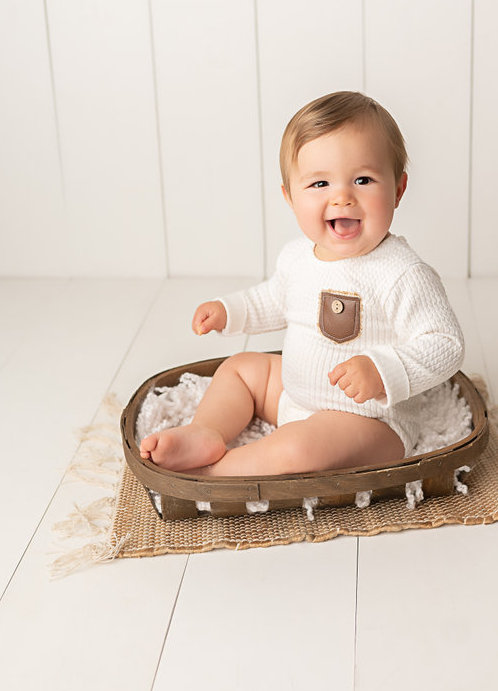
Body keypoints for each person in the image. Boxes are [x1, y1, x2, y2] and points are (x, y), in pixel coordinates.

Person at [140, 91, 464, 477]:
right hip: (293, 397)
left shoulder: (401, 272)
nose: (342, 197)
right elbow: (274, 298)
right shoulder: (297, 257)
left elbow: (445, 343)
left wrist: (383, 371)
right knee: (241, 368)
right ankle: (204, 432)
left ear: (397, 189)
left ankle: (215, 473)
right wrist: (230, 310)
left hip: (368, 421)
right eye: (320, 183)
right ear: (290, 197)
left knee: (298, 448)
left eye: (363, 180)